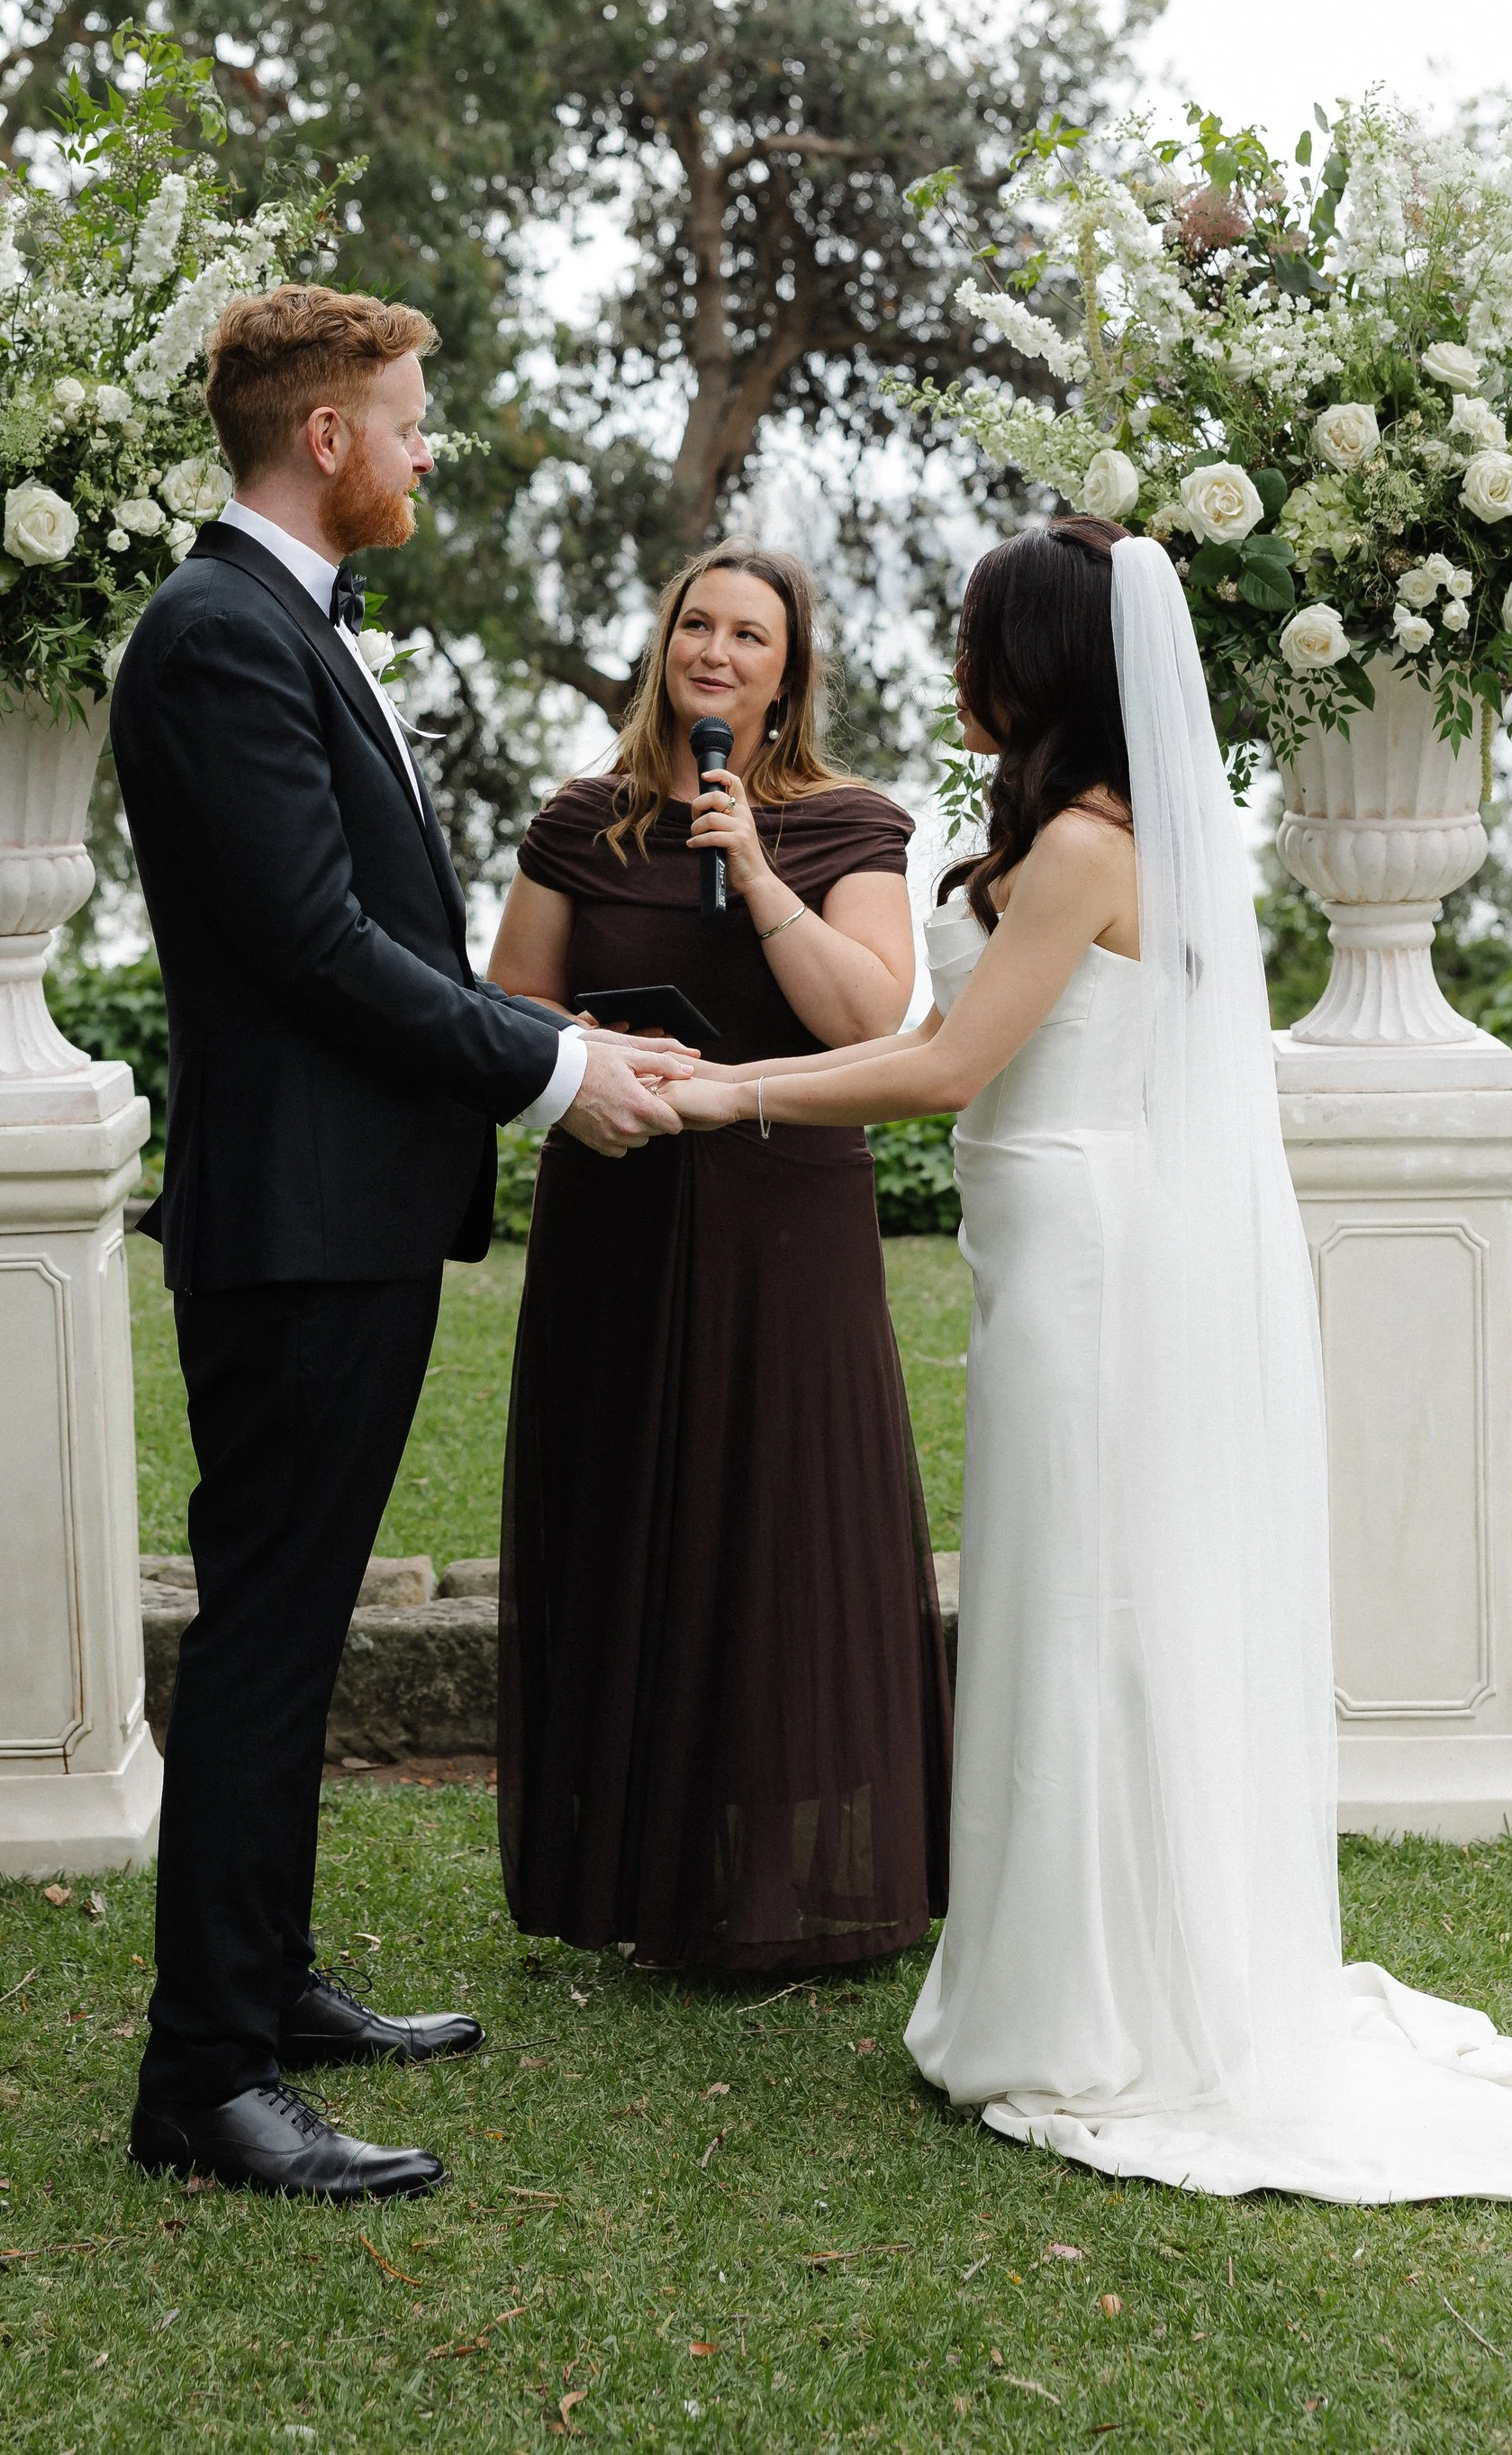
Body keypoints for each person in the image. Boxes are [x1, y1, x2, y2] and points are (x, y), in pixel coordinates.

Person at [669, 520, 1512, 2246]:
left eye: (977, 641)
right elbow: (953, 1049)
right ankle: (1077, 1961)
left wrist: (725, 1095)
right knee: (1069, 1602)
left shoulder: (1085, 848)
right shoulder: (1087, 835)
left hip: (1085, 1261)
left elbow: (949, 1067)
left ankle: (1088, 2002)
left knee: (1083, 1610)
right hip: (1051, 1246)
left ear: (1037, 666)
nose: (958, 667)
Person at [110, 285, 696, 2203]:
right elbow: (312, 947)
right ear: (327, 436)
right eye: (410, 417)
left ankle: (267, 1982)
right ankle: (205, 2080)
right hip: (295, 1225)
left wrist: (546, 1047)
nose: (427, 446)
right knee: (268, 1638)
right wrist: (552, 1068)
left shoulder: (284, 618)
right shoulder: (216, 632)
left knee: (295, 1626)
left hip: (341, 1213)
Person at [487, 543, 953, 1970]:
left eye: (752, 634)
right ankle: (640, 1874)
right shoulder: (580, 821)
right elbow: (508, 1000)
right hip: (615, 1203)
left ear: (788, 671)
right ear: (664, 644)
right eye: (698, 622)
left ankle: (784, 1882)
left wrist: (751, 866)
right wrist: (592, 1049)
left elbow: (870, 1017)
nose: (717, 650)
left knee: (777, 1519)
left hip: (786, 1216)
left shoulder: (849, 823)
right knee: (628, 1506)